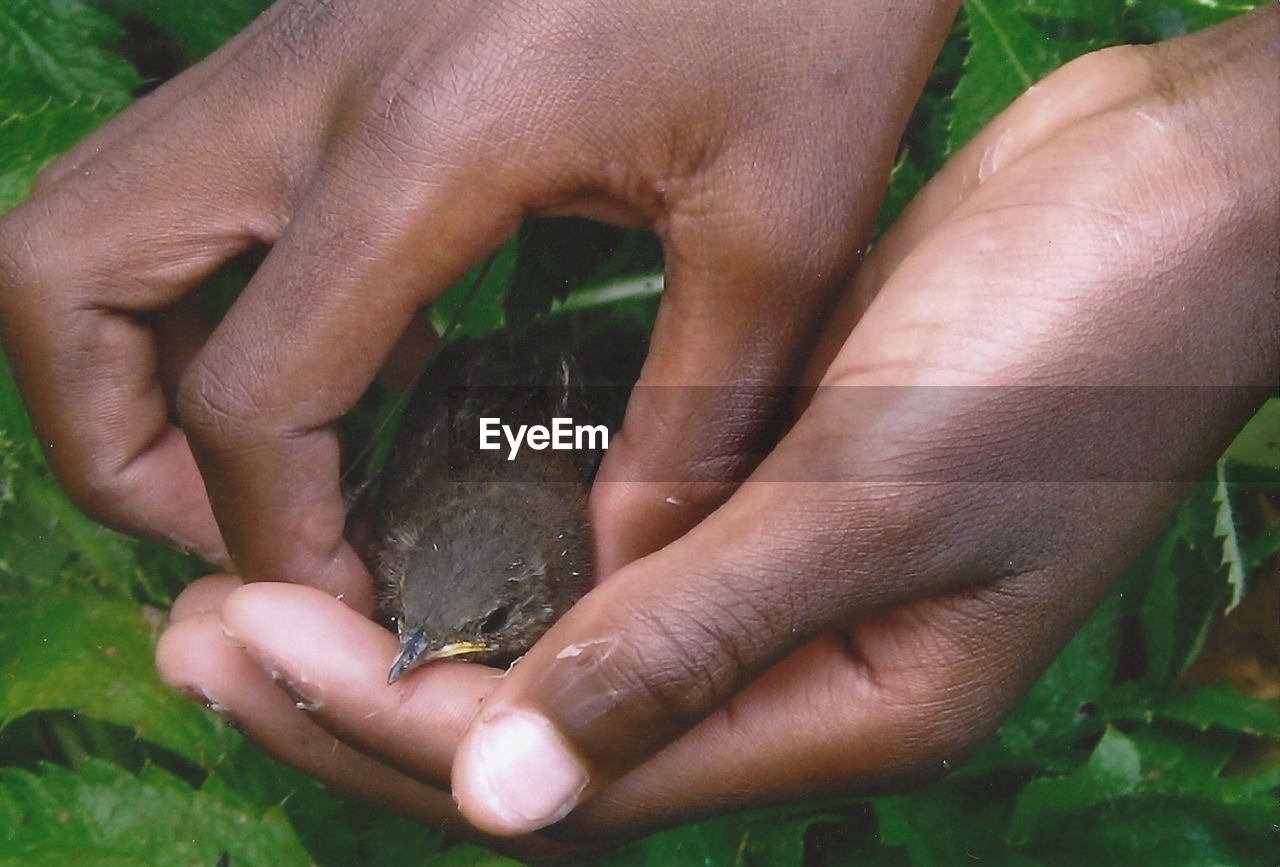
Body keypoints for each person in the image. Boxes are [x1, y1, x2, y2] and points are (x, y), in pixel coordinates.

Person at [0, 0, 1274, 857]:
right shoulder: (416, 545)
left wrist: (1224, 175)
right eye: (418, 630)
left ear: (542, 598)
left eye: (472, 636)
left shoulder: (542, 541)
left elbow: (513, 434)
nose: (410, 651)